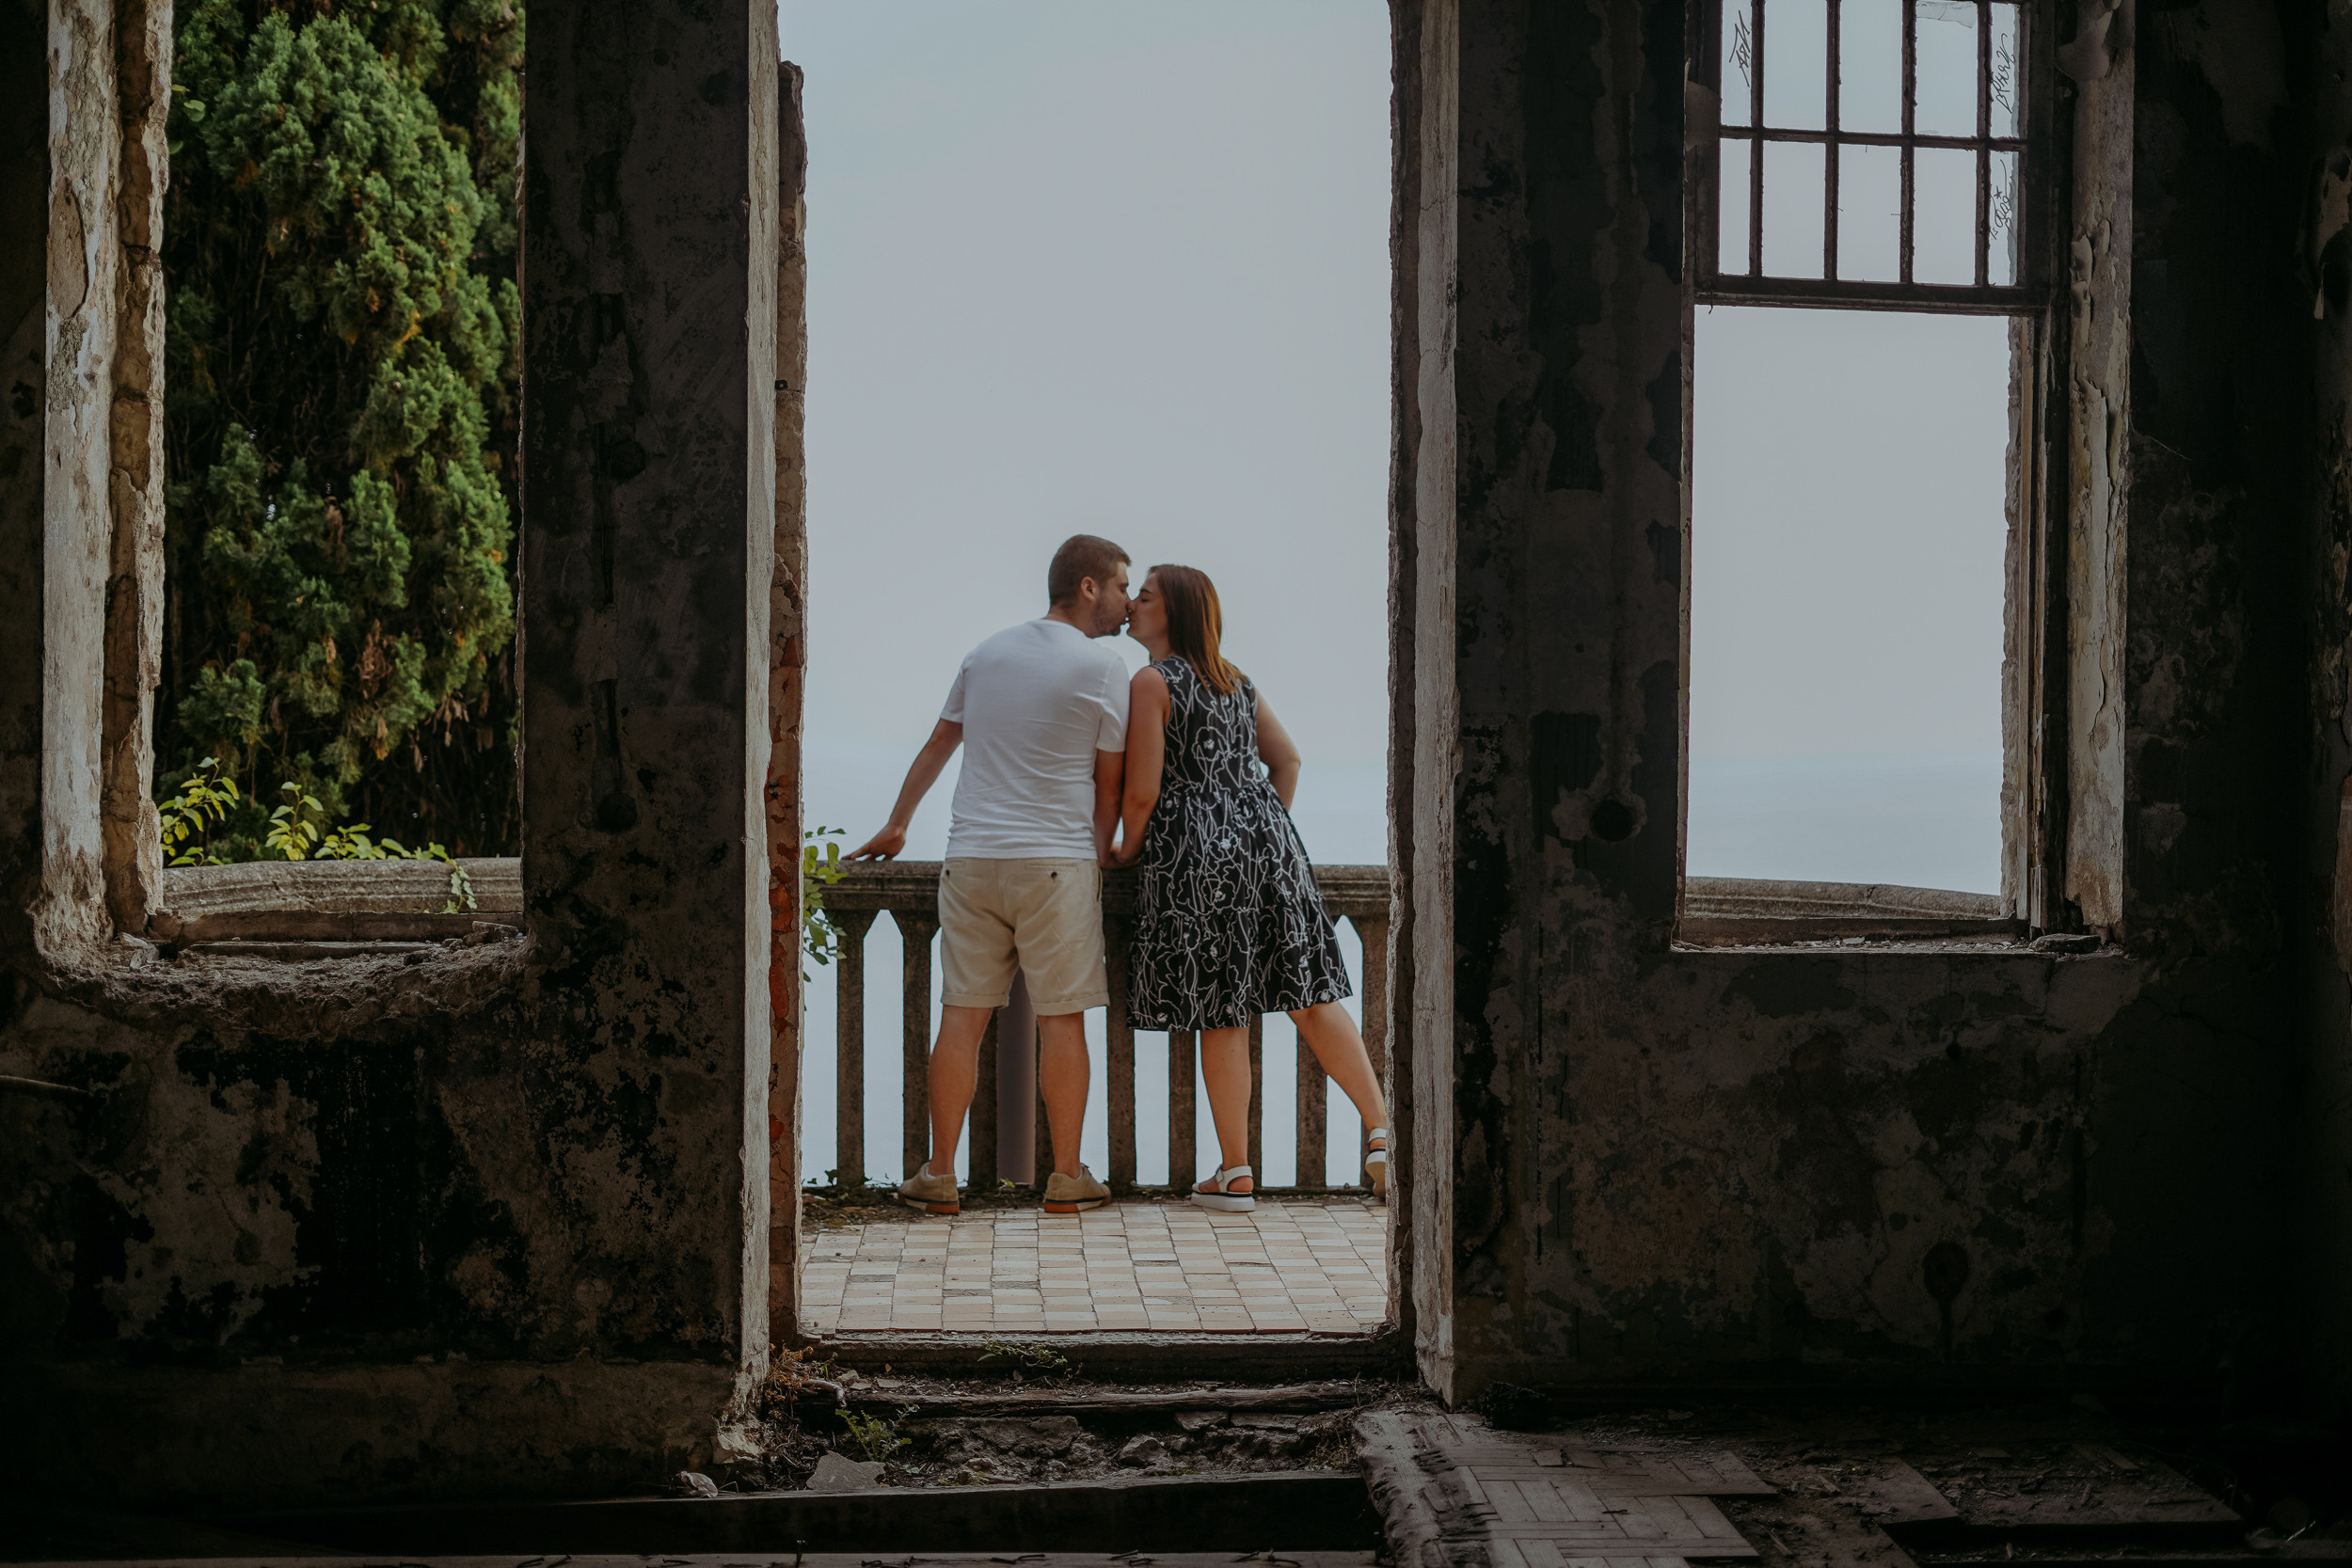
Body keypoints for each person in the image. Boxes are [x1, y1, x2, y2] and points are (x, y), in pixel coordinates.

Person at [850, 534, 1134, 1216]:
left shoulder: (987, 652)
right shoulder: (1102, 668)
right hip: (1055, 863)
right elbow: (1111, 785)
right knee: (1063, 1021)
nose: (1127, 601)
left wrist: (898, 822)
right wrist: (1096, 852)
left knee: (961, 1016)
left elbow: (940, 743)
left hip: (973, 856)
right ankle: (1066, 1176)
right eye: (1122, 585)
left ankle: (938, 1174)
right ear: (1089, 586)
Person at [1108, 564, 1390, 1212]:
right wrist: (1258, 821)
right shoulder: (1236, 680)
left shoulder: (1152, 683)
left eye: (1143, 597)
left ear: (1170, 612)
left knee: (1221, 1007)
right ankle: (1381, 1129)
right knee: (1309, 993)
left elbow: (1144, 790)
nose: (1133, 606)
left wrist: (1125, 848)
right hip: (1270, 845)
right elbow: (1286, 760)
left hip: (1194, 856)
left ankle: (1235, 1172)